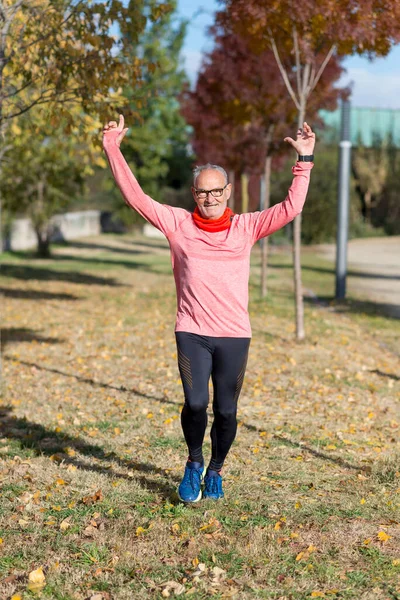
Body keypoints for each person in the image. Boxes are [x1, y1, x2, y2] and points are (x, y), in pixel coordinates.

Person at [102, 114, 315, 502]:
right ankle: (194, 462)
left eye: (217, 191)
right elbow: (135, 196)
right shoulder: (178, 224)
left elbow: (290, 208)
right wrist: (112, 147)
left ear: (229, 191)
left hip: (235, 334)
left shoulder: (247, 227)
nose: (210, 198)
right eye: (203, 192)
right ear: (193, 193)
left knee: (228, 412)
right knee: (197, 402)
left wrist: (305, 161)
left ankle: (216, 470)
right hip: (192, 330)